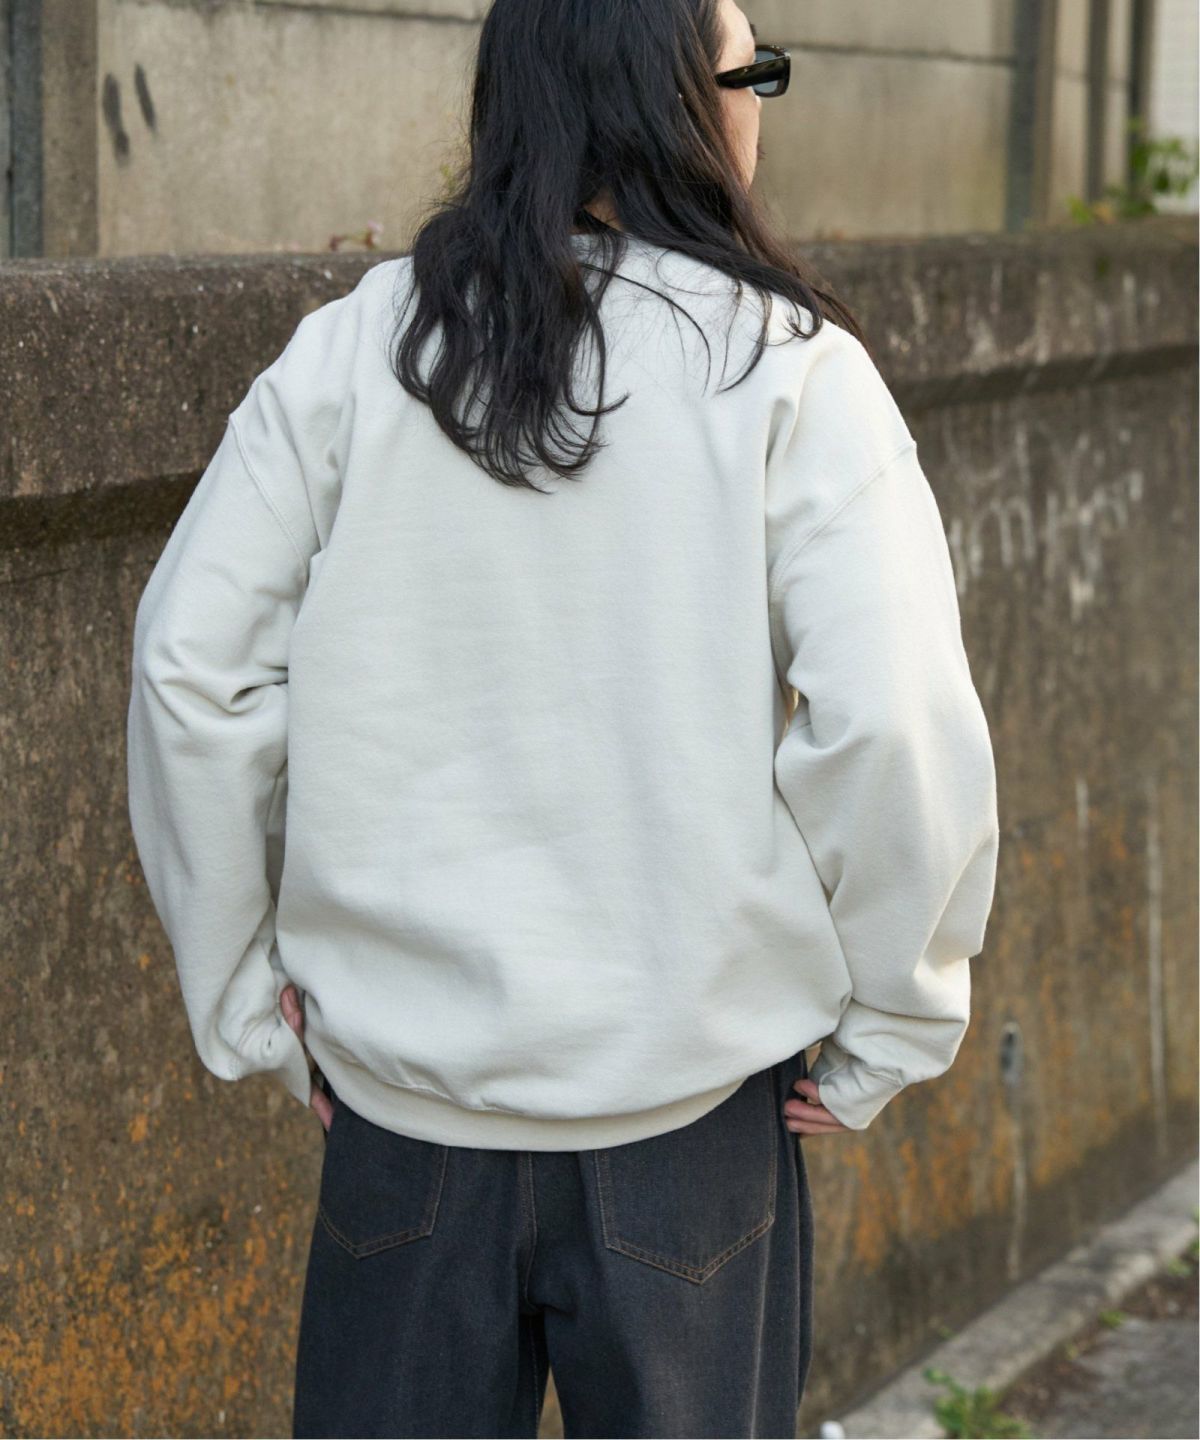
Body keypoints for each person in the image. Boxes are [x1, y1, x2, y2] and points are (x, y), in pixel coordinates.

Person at [125, 1, 1000, 1435]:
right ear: (681, 101)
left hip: (405, 1126)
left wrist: (247, 1004)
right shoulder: (786, 368)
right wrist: (893, 1020)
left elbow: (189, 669)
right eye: (756, 73)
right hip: (688, 1130)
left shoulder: (355, 351)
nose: (760, 106)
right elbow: (893, 720)